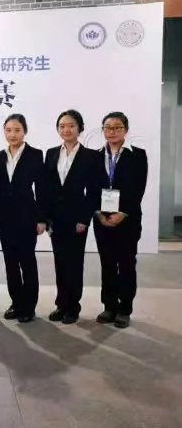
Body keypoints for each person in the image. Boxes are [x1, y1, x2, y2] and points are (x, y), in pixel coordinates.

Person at [93, 112, 148, 329]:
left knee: (126, 263)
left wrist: (122, 213)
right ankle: (109, 306)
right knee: (107, 264)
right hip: (102, 219)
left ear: (125, 129)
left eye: (117, 127)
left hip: (128, 219)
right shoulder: (96, 156)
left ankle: (124, 309)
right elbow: (92, 188)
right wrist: (99, 214)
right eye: (108, 127)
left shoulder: (137, 155)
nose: (112, 132)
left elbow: (138, 188)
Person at [45, 110, 98, 325]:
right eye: (62, 126)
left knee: (74, 262)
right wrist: (46, 217)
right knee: (60, 262)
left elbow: (93, 192)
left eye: (71, 126)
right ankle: (61, 304)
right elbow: (47, 188)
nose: (66, 130)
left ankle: (73, 307)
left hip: (77, 219)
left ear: (80, 128)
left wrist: (85, 219)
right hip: (56, 218)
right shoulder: (51, 153)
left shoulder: (90, 156)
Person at [0, 114, 46, 324]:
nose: (12, 134)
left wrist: (41, 219)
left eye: (17, 130)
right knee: (10, 263)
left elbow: (41, 189)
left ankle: (29, 306)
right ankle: (16, 302)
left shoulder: (35, 155)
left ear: (25, 131)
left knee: (27, 261)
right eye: (8, 130)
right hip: (5, 219)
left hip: (27, 218)